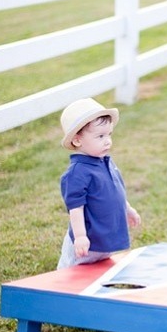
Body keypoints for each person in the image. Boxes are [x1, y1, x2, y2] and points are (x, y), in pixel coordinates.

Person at [57, 97, 141, 269]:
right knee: (71, 273)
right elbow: (76, 208)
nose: (108, 140)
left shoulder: (104, 162)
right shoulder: (77, 172)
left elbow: (115, 191)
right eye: (100, 136)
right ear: (77, 140)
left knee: (98, 272)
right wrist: (80, 236)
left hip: (105, 238)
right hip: (87, 242)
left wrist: (128, 208)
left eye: (109, 134)